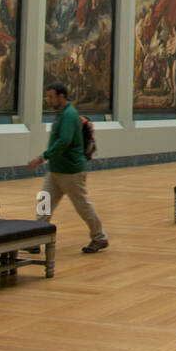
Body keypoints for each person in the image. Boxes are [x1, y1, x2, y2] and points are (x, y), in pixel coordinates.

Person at [29, 81, 108, 252]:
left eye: (51, 97)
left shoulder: (69, 115)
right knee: (44, 203)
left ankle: (99, 237)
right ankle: (35, 240)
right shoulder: (61, 113)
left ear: (61, 96)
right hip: (56, 170)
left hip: (71, 171)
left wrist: (42, 157)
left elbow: (64, 141)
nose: (48, 100)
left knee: (82, 206)